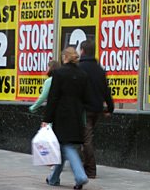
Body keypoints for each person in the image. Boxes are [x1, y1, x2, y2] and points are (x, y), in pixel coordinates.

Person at [42, 47, 90, 190]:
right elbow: (86, 97)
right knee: (63, 146)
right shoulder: (82, 74)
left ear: (65, 57)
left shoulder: (59, 73)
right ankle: (54, 178)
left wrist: (46, 118)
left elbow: (53, 98)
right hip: (76, 115)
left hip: (61, 116)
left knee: (67, 146)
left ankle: (80, 175)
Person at [78, 39, 114, 178]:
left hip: (84, 110)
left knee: (86, 140)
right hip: (97, 109)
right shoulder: (99, 70)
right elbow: (106, 91)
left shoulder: (80, 68)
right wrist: (110, 108)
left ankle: (91, 170)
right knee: (87, 138)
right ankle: (85, 165)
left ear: (82, 51)